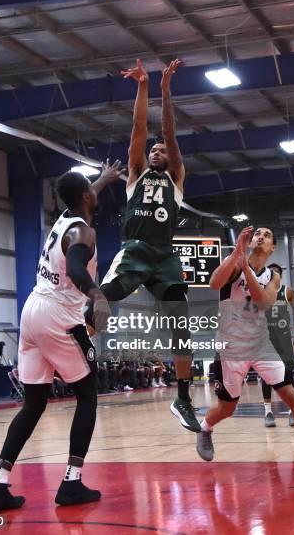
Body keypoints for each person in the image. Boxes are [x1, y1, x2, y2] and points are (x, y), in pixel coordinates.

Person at [0, 161, 122, 511]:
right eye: (93, 187)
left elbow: (82, 196)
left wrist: (101, 180)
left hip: (31, 311)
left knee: (34, 403)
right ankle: (71, 482)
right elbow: (75, 267)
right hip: (59, 315)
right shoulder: (84, 233)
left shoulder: (63, 219)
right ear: (86, 197)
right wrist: (98, 295)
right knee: (88, 395)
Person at [86, 58, 200, 432]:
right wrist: (142, 87)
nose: (156, 150)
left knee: (182, 323)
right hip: (134, 250)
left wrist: (165, 90)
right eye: (152, 149)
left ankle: (182, 397)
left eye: (161, 150)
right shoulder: (134, 175)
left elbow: (168, 131)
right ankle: (74, 345)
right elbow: (139, 128)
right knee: (98, 305)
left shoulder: (176, 178)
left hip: (164, 256)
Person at [196, 226, 294, 473]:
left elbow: (263, 302)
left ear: (273, 247)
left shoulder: (273, 277)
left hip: (261, 344)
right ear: (250, 242)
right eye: (257, 233)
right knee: (226, 409)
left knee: (291, 396)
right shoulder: (234, 262)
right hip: (230, 346)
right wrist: (236, 257)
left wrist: (246, 270)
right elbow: (214, 282)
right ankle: (205, 428)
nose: (260, 236)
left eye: (267, 235)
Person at [262, 263, 294, 428]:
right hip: (266, 338)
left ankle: (293, 411)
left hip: (283, 339)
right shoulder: (260, 290)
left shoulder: (287, 291)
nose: (273, 275)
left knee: (288, 375)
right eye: (271, 273)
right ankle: (268, 412)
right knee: (266, 376)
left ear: (280, 276)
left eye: (276, 273)